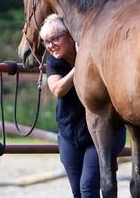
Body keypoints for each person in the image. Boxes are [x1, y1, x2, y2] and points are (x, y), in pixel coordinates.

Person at [40, 14, 126, 198]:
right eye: (47, 41)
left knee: (88, 187)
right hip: (69, 134)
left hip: (102, 132)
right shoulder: (54, 62)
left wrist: (84, 61)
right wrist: (79, 66)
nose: (50, 45)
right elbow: (57, 89)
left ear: (70, 37)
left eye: (55, 38)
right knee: (77, 191)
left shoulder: (97, 57)